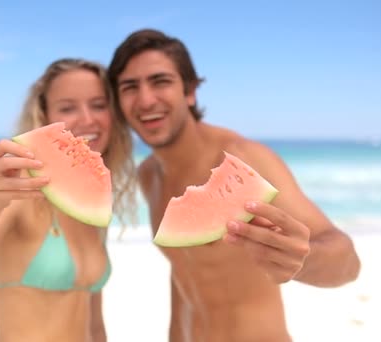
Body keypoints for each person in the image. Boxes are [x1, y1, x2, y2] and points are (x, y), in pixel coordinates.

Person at [107, 29, 361, 342]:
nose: (145, 99)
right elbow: (184, 274)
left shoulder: (245, 160)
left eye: (161, 81)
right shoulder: (148, 175)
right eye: (130, 87)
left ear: (189, 91)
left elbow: (347, 262)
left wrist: (303, 260)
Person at [0, 58, 136, 342]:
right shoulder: (20, 189)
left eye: (98, 104)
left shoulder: (91, 201)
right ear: (45, 117)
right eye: (67, 107)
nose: (87, 118)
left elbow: (94, 324)